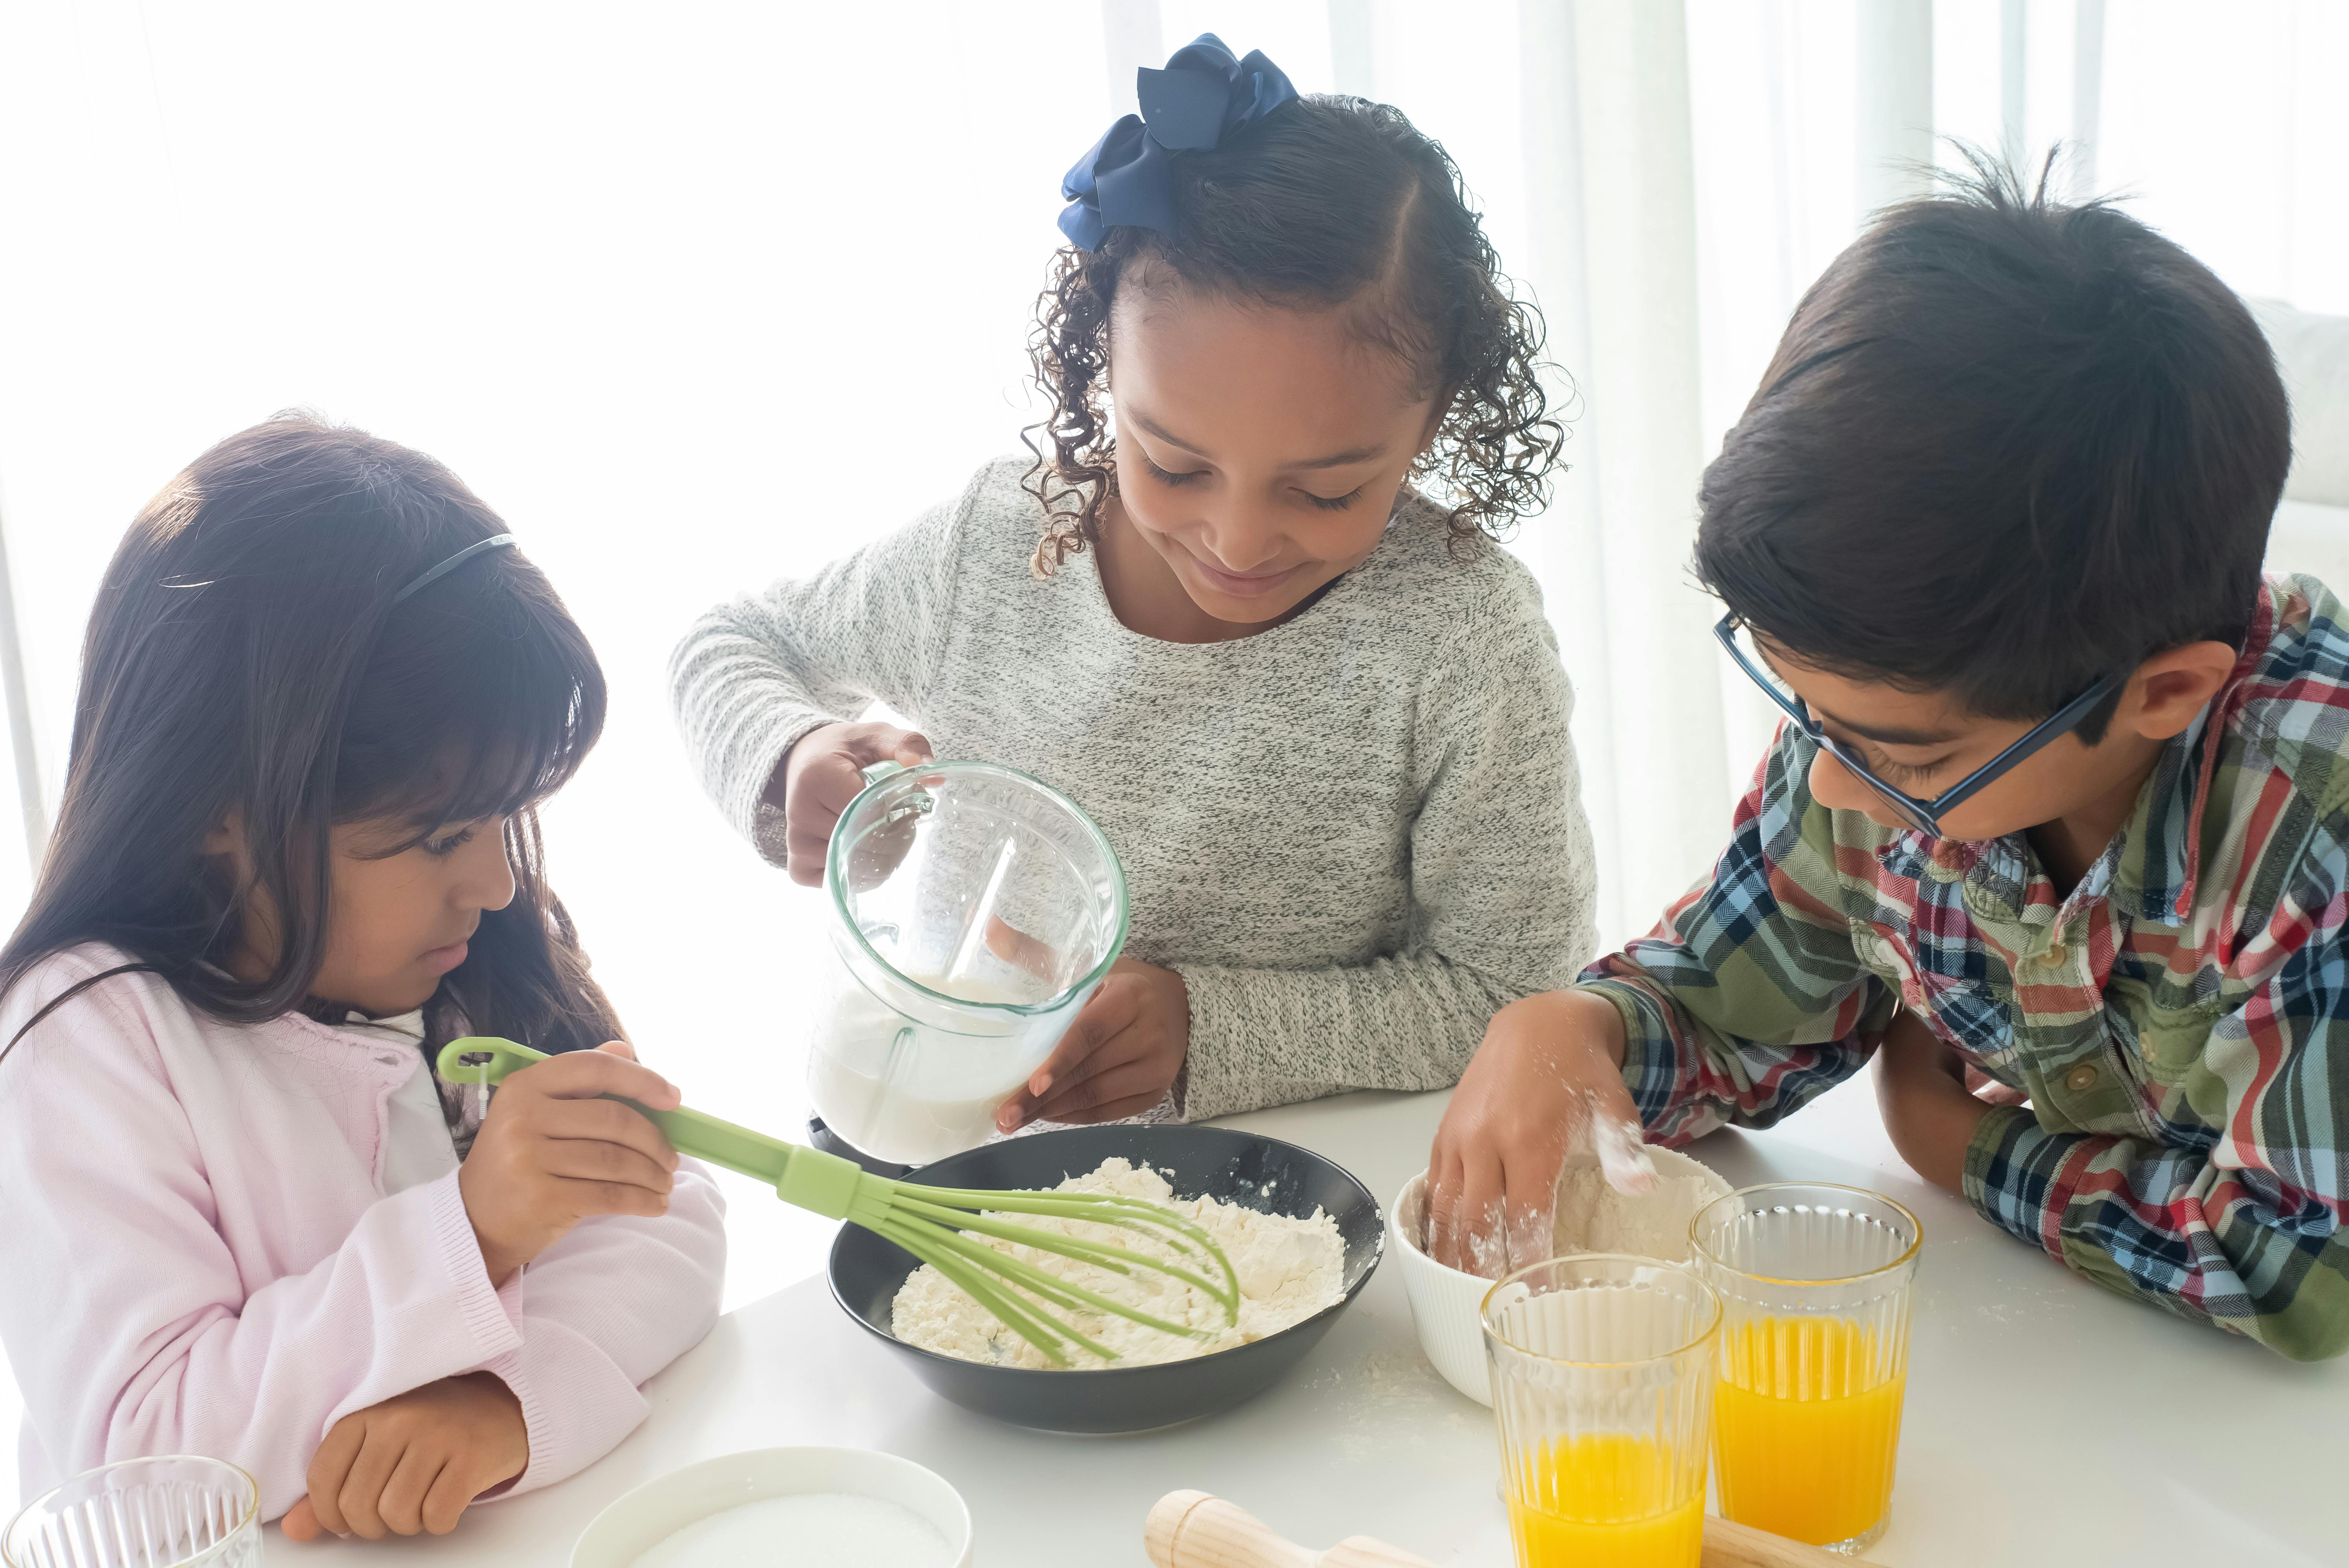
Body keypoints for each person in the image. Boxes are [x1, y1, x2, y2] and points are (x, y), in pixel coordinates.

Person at [1428, 155, 2349, 1361]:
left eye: (1902, 757)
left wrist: (1951, 1143)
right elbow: (1741, 1011)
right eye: (1806, 712)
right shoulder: (1894, 705)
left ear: (2163, 695)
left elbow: (2296, 1267)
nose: (1823, 783)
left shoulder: (2307, 823)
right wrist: (1578, 1026)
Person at [673, 36, 1597, 1137]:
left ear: (1430, 426)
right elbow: (730, 644)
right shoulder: (995, 548)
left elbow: (1515, 995)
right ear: (1102, 365)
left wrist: (1208, 1028)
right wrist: (791, 753)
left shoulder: (1460, 640)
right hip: (943, 1150)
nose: (1238, 540)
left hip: (1274, 1208)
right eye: (1172, 463)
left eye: (1326, 491)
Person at [0, 417, 727, 1534]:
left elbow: (668, 1208)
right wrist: (473, 1238)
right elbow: (143, 1462)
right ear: (221, 813)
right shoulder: (84, 1037)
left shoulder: (463, 957)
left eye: (506, 817)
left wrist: (502, 1399)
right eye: (441, 835)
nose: (493, 882)